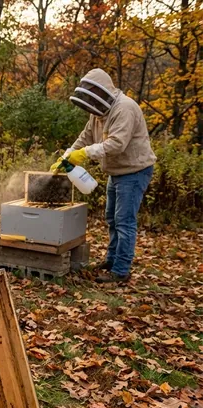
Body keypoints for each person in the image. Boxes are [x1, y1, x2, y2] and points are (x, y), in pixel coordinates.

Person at [50, 68, 156, 283]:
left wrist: (85, 154)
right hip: (116, 172)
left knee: (124, 221)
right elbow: (85, 137)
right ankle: (112, 259)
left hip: (134, 171)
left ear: (103, 92)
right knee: (111, 218)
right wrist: (67, 155)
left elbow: (117, 144)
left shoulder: (125, 108)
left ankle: (121, 270)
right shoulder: (98, 113)